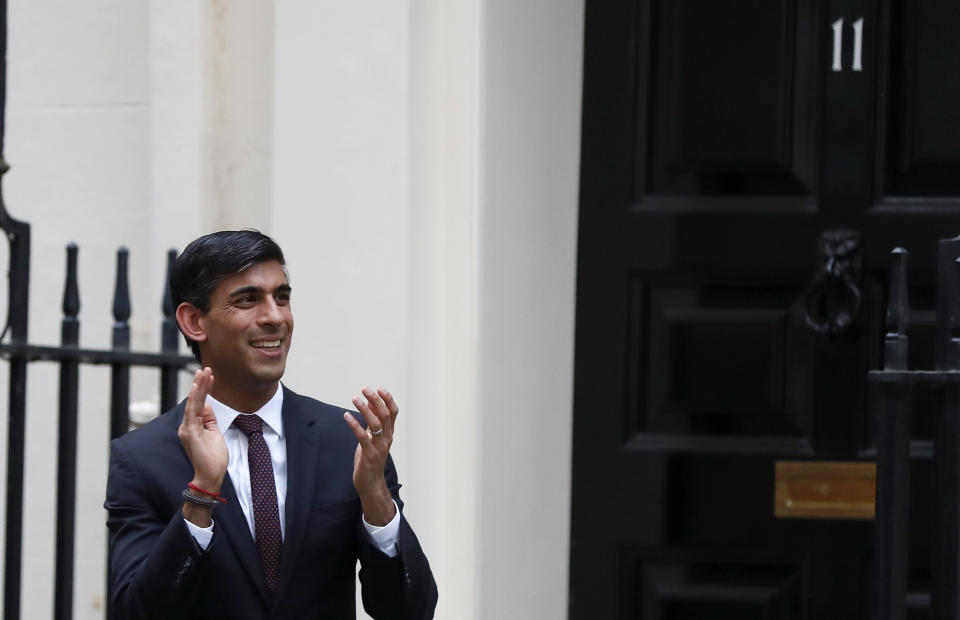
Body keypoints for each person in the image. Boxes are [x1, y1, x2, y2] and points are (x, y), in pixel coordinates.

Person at [104, 230, 437, 619]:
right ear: (194, 321)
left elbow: (410, 610)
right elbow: (135, 612)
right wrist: (201, 494)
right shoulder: (142, 458)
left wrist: (376, 498)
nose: (275, 316)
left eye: (282, 297)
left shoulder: (347, 440)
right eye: (248, 300)